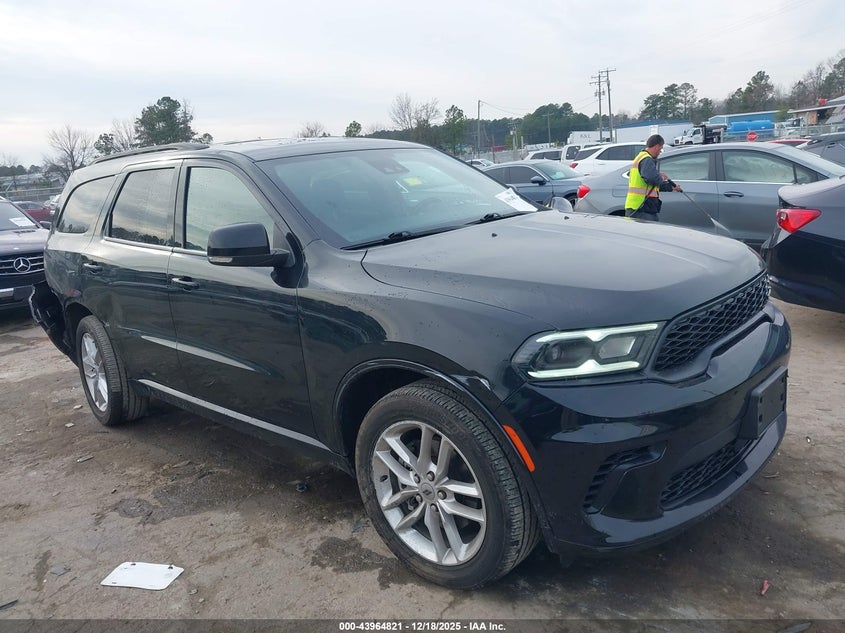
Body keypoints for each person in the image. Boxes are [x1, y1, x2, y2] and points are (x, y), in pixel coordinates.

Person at [624, 134, 682, 221]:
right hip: (642, 207)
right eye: (660, 149)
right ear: (657, 146)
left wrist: (671, 187)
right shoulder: (647, 159)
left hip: (638, 206)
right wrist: (659, 177)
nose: (660, 152)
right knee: (649, 233)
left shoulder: (641, 157)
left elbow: (650, 180)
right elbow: (652, 179)